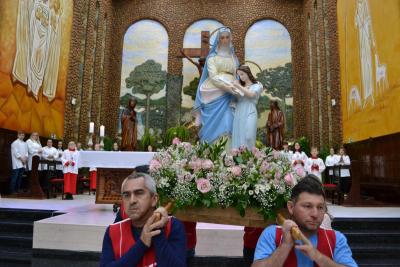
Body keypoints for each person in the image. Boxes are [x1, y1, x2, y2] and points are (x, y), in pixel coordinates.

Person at [253, 175, 357, 267]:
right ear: (291, 207)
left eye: (320, 207)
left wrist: (318, 257)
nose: (315, 214)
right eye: (307, 206)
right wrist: (285, 246)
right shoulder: (272, 234)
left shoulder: (336, 238)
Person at [100, 172, 186, 267]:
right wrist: (141, 245)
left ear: (154, 199)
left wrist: (157, 230)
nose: (132, 201)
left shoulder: (173, 226)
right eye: (126, 195)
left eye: (139, 193)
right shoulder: (113, 231)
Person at [193, 26, 239, 145]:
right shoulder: (212, 58)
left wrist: (236, 89)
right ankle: (211, 153)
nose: (225, 40)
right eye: (222, 37)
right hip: (215, 92)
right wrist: (227, 88)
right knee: (212, 125)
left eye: (227, 37)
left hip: (229, 97)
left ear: (230, 39)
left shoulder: (234, 58)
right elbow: (213, 77)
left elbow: (237, 76)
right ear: (218, 40)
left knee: (229, 122)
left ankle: (228, 157)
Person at [231, 65, 263, 149]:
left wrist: (238, 86)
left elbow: (251, 95)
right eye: (239, 75)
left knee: (249, 135)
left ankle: (249, 156)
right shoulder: (241, 87)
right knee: (239, 136)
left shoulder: (257, 85)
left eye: (242, 74)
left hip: (250, 110)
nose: (241, 77)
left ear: (248, 73)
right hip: (239, 112)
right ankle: (238, 156)